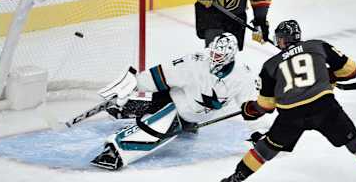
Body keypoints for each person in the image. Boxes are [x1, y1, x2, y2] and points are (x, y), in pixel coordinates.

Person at [217, 20, 356, 182]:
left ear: (281, 40)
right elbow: (351, 70)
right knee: (355, 141)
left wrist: (251, 109)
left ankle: (235, 178)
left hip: (291, 114)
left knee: (265, 148)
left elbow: (267, 104)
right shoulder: (317, 46)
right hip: (324, 107)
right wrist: (331, 75)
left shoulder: (270, 65)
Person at [91, 33, 257, 170]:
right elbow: (162, 74)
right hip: (175, 100)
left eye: (219, 55)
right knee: (158, 113)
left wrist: (259, 131)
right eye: (213, 52)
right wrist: (134, 85)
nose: (214, 57)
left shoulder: (243, 76)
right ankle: (124, 121)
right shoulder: (195, 62)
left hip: (189, 113)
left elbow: (251, 105)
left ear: (230, 55)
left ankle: (121, 136)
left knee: (159, 120)